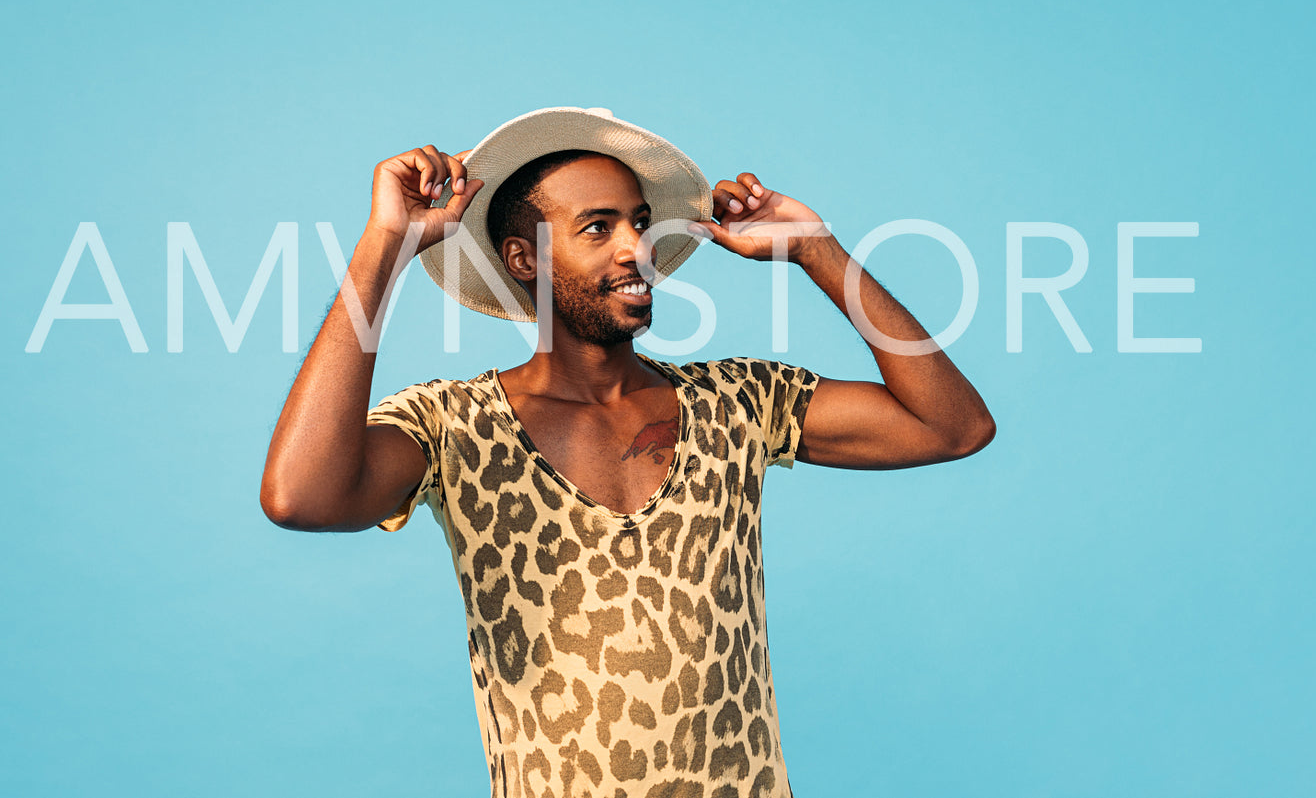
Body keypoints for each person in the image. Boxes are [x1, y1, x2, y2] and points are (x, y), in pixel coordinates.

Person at [261, 107, 994, 798]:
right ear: (524, 257)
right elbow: (301, 496)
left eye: (640, 223)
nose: (632, 248)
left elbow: (952, 426)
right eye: (596, 226)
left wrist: (816, 250)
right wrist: (382, 244)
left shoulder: (735, 402)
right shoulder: (456, 425)